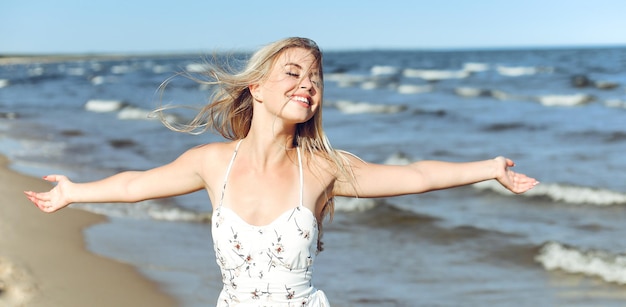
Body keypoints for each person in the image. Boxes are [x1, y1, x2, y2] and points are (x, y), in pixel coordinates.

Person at [24, 37, 538, 306]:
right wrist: (75, 190)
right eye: (293, 73)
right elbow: (136, 185)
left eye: (314, 79)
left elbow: (417, 176)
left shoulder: (321, 170)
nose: (307, 85)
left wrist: (488, 168)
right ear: (257, 87)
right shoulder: (211, 163)